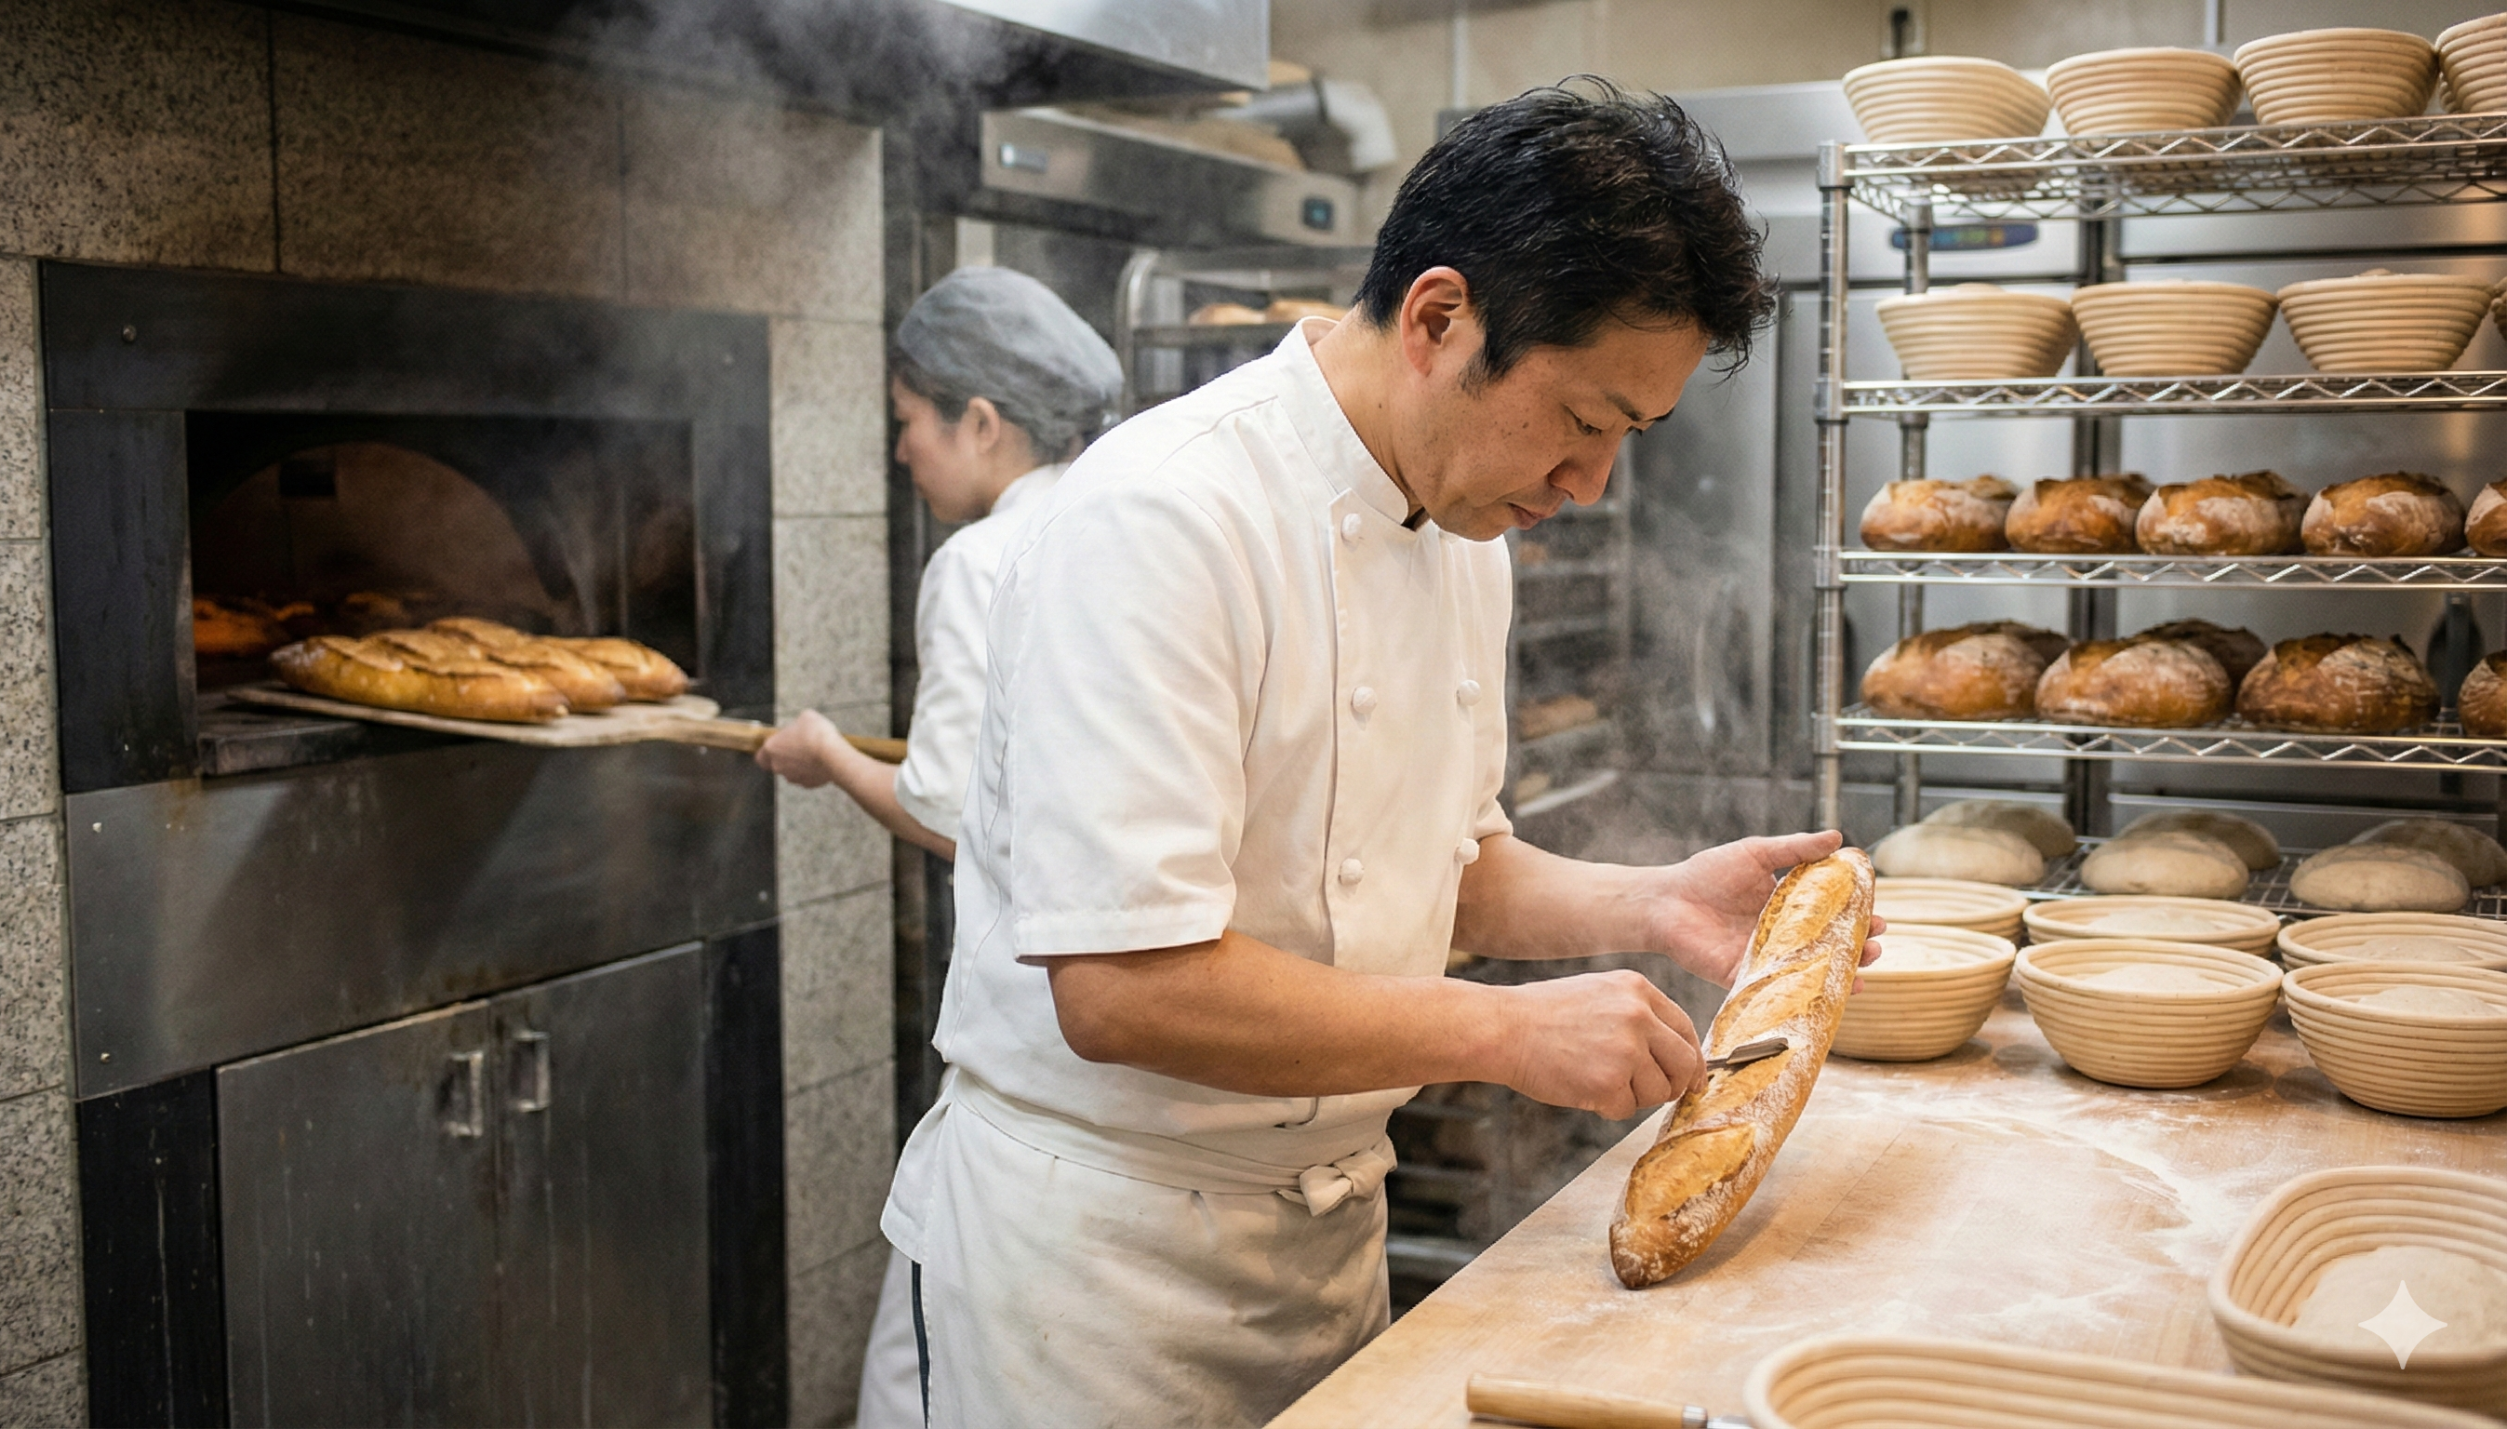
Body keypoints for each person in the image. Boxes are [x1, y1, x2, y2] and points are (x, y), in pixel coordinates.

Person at [886, 82, 1882, 1428]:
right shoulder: (1163, 518)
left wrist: (1652, 901)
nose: (1590, 483)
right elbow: (1122, 986)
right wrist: (1508, 1030)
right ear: (1437, 319)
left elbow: (1442, 867)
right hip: (1091, 1283)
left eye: (1625, 439)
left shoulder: (1461, 527)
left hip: (1325, 1247)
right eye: (1584, 420)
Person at [752, 264, 1121, 1429]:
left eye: (909, 420)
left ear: (981, 420)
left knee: (920, 1386)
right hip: (1121, 1077)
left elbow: (951, 814)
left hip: (1030, 1056)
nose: (901, 451)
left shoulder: (980, 561)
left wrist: (827, 753)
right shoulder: (1123, 524)